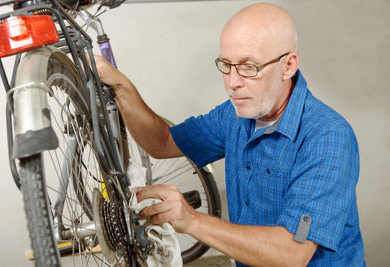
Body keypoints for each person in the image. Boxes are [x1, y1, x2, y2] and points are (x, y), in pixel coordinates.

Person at [93, 2, 365, 266]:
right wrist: (120, 84)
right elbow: (162, 142)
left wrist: (192, 221)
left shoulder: (328, 137)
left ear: (289, 65)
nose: (233, 83)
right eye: (226, 65)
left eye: (249, 67)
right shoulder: (235, 114)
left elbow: (291, 254)